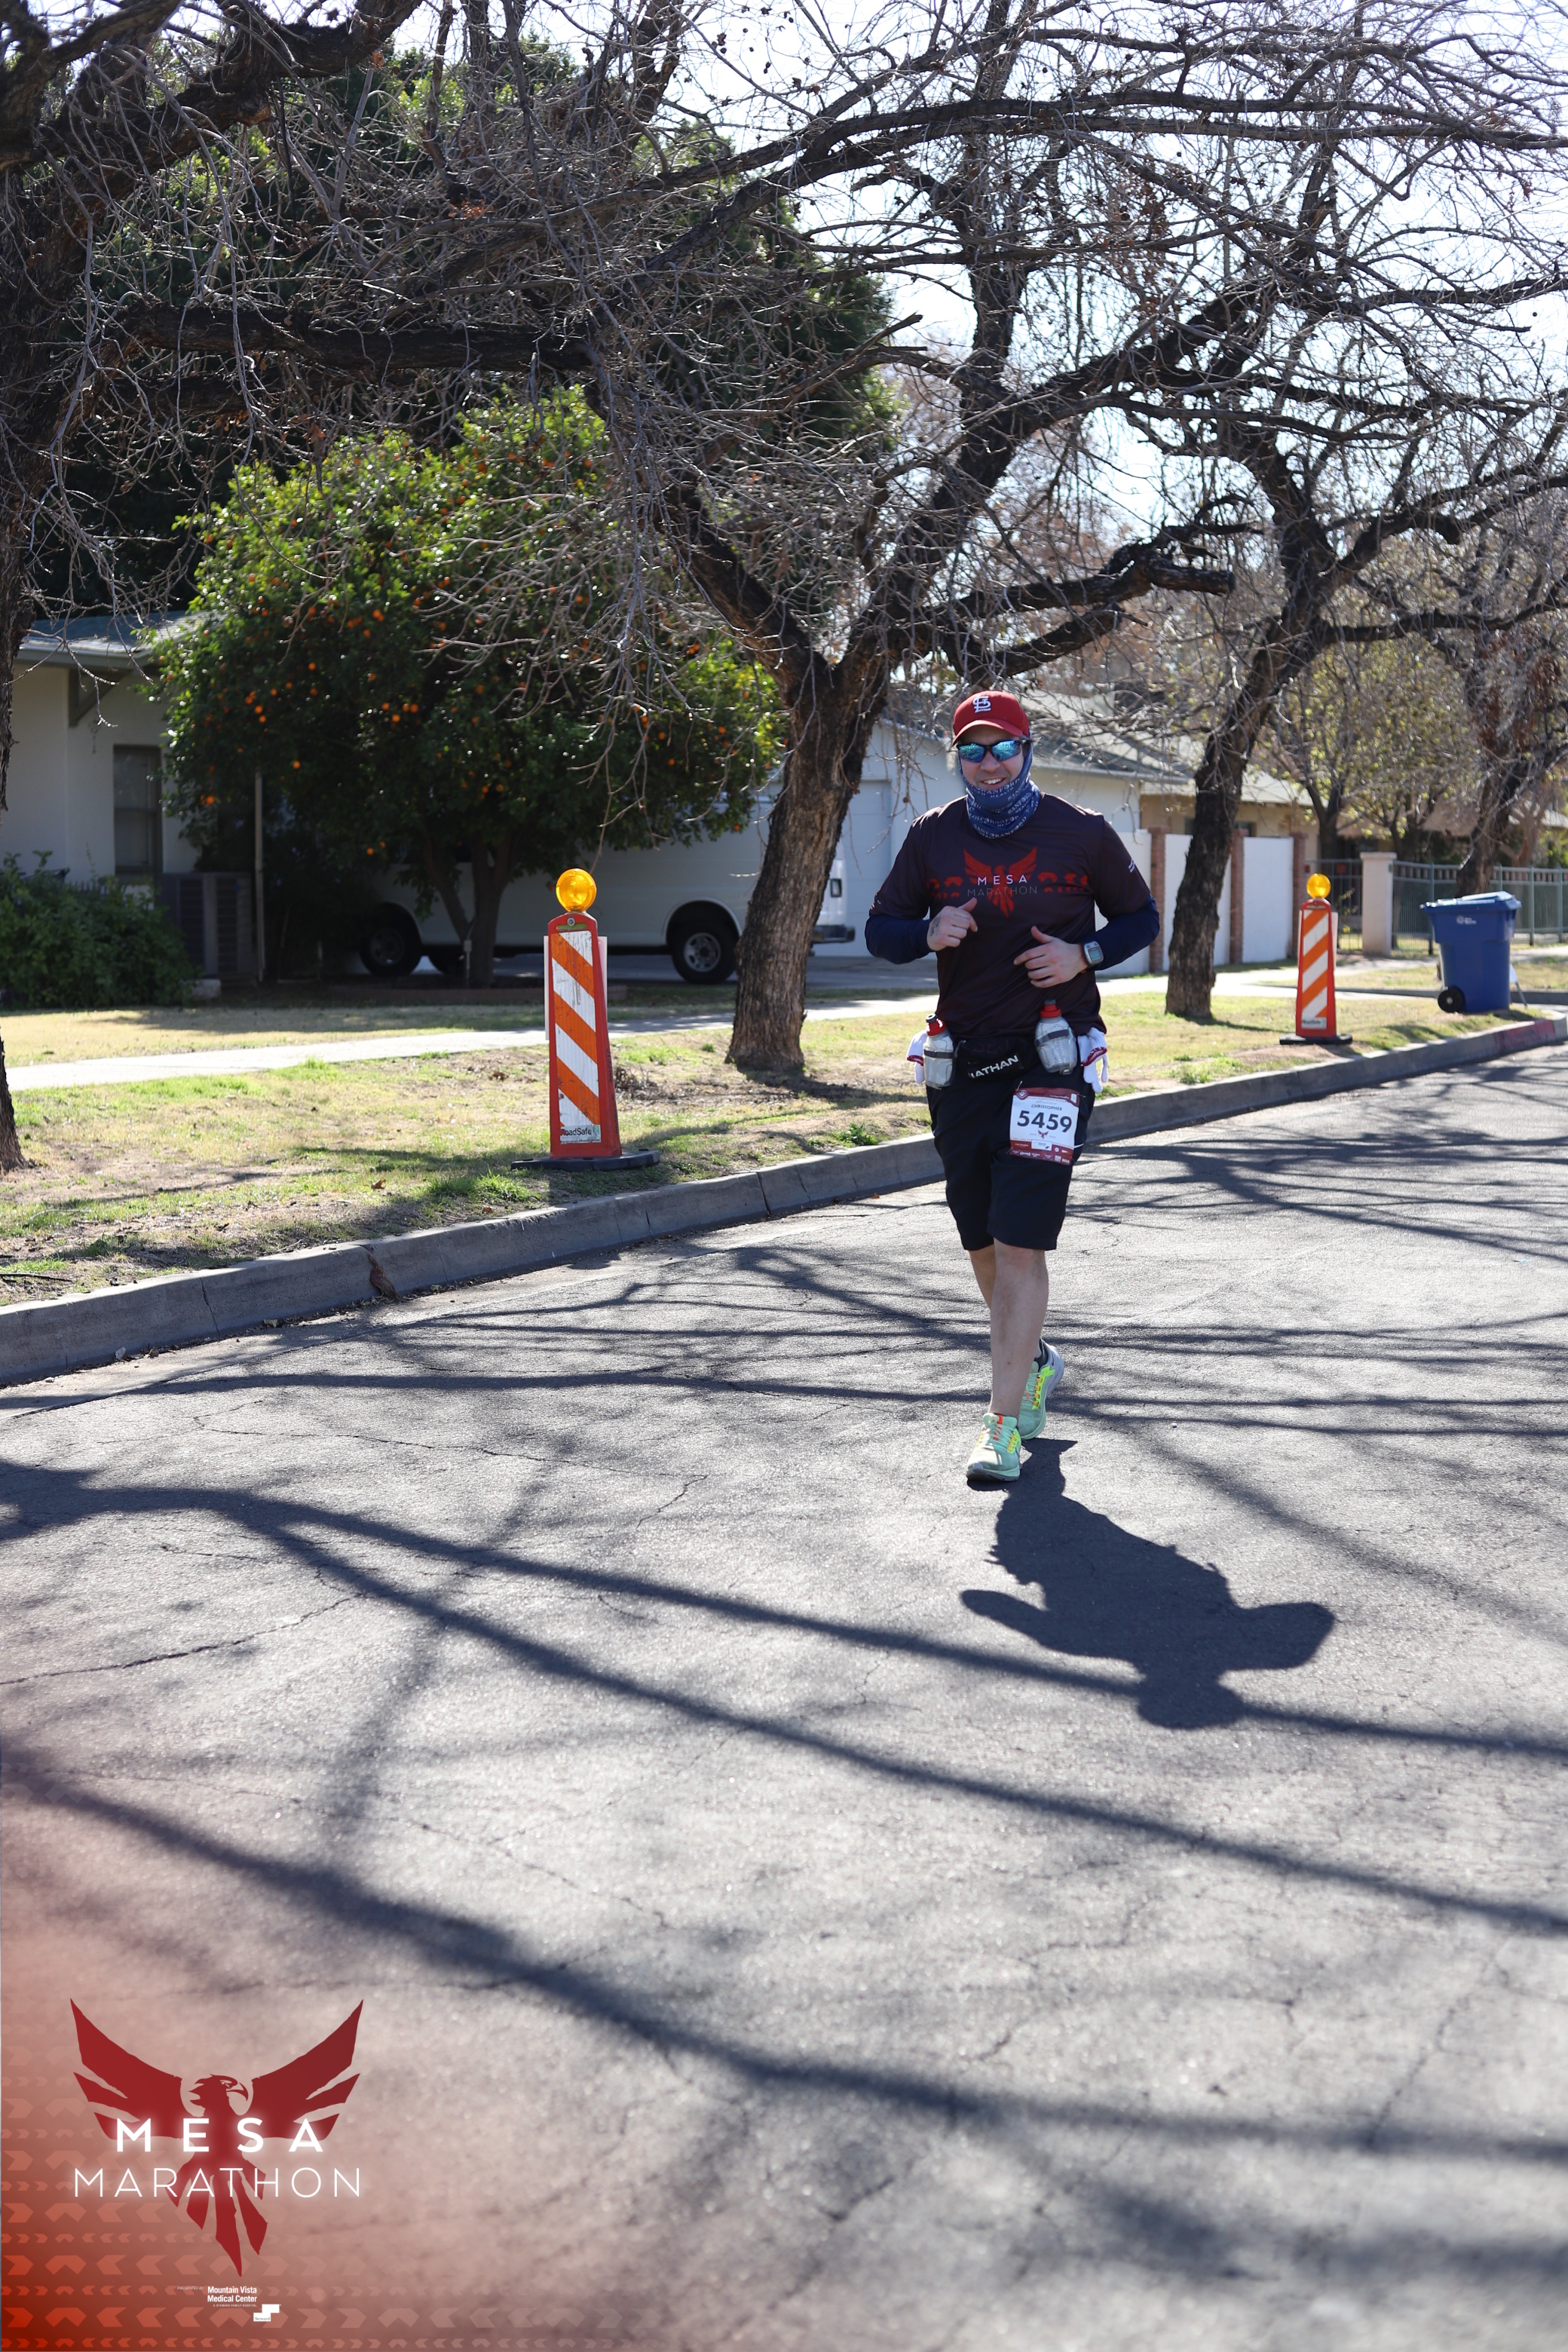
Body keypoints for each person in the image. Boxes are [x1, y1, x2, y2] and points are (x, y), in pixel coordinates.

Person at [865, 689, 1159, 1485]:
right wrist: (927, 932)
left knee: (1022, 1239)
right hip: (962, 1060)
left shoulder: (1081, 832)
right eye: (972, 749)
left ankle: (1000, 1427)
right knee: (981, 1237)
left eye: (1002, 748)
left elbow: (1140, 918)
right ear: (957, 759)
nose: (988, 763)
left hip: (1052, 1062)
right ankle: (1032, 1359)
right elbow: (881, 931)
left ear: (1027, 751)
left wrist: (1081, 956)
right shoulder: (932, 837)